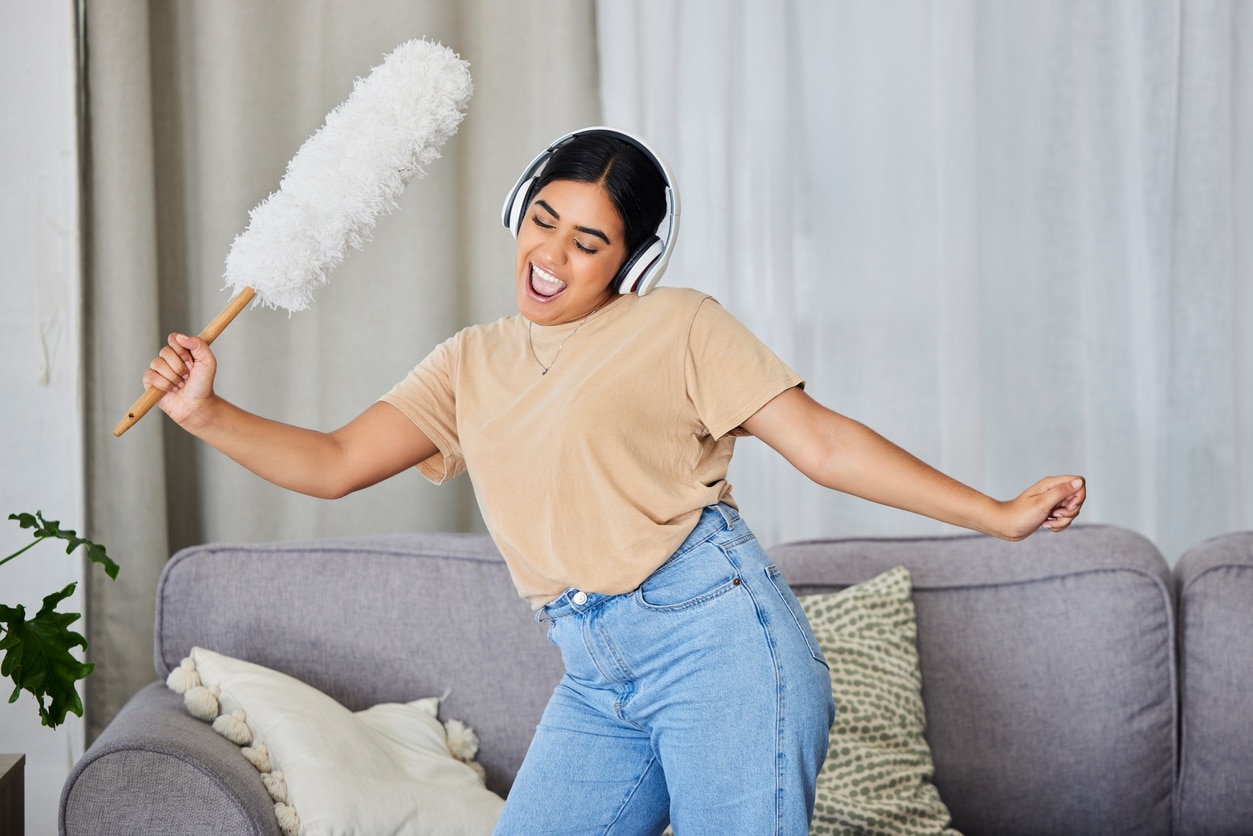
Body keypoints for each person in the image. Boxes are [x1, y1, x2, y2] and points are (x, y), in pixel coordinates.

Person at [143, 127, 1086, 836]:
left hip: (718, 644)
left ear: (630, 261)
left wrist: (994, 515)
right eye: (543, 220)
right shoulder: (470, 362)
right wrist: (205, 414)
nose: (549, 257)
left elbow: (821, 443)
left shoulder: (676, 325)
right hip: (596, 675)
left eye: (588, 242)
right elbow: (334, 464)